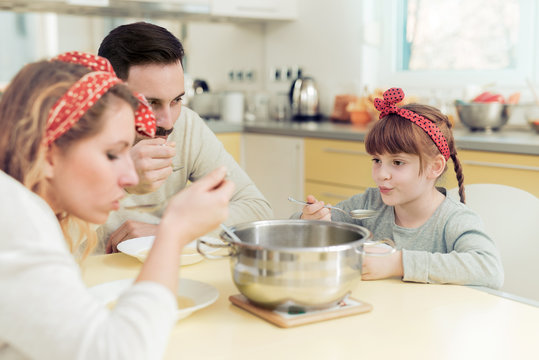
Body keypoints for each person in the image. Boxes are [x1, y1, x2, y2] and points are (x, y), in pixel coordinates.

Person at [0, 52, 234, 359]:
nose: (128, 176)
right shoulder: (16, 219)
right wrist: (172, 231)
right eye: (112, 154)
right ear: (47, 154)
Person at [295, 88, 503, 289]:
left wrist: (397, 263)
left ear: (435, 167)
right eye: (377, 160)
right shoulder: (369, 204)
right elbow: (299, 236)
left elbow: (490, 269)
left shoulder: (454, 220)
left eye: (397, 163)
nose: (381, 174)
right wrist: (309, 223)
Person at [96, 21, 273, 252]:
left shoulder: (186, 125)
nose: (168, 122)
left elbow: (257, 209)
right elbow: (52, 237)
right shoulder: (71, 138)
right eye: (150, 102)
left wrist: (170, 230)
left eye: (176, 100)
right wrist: (119, 177)